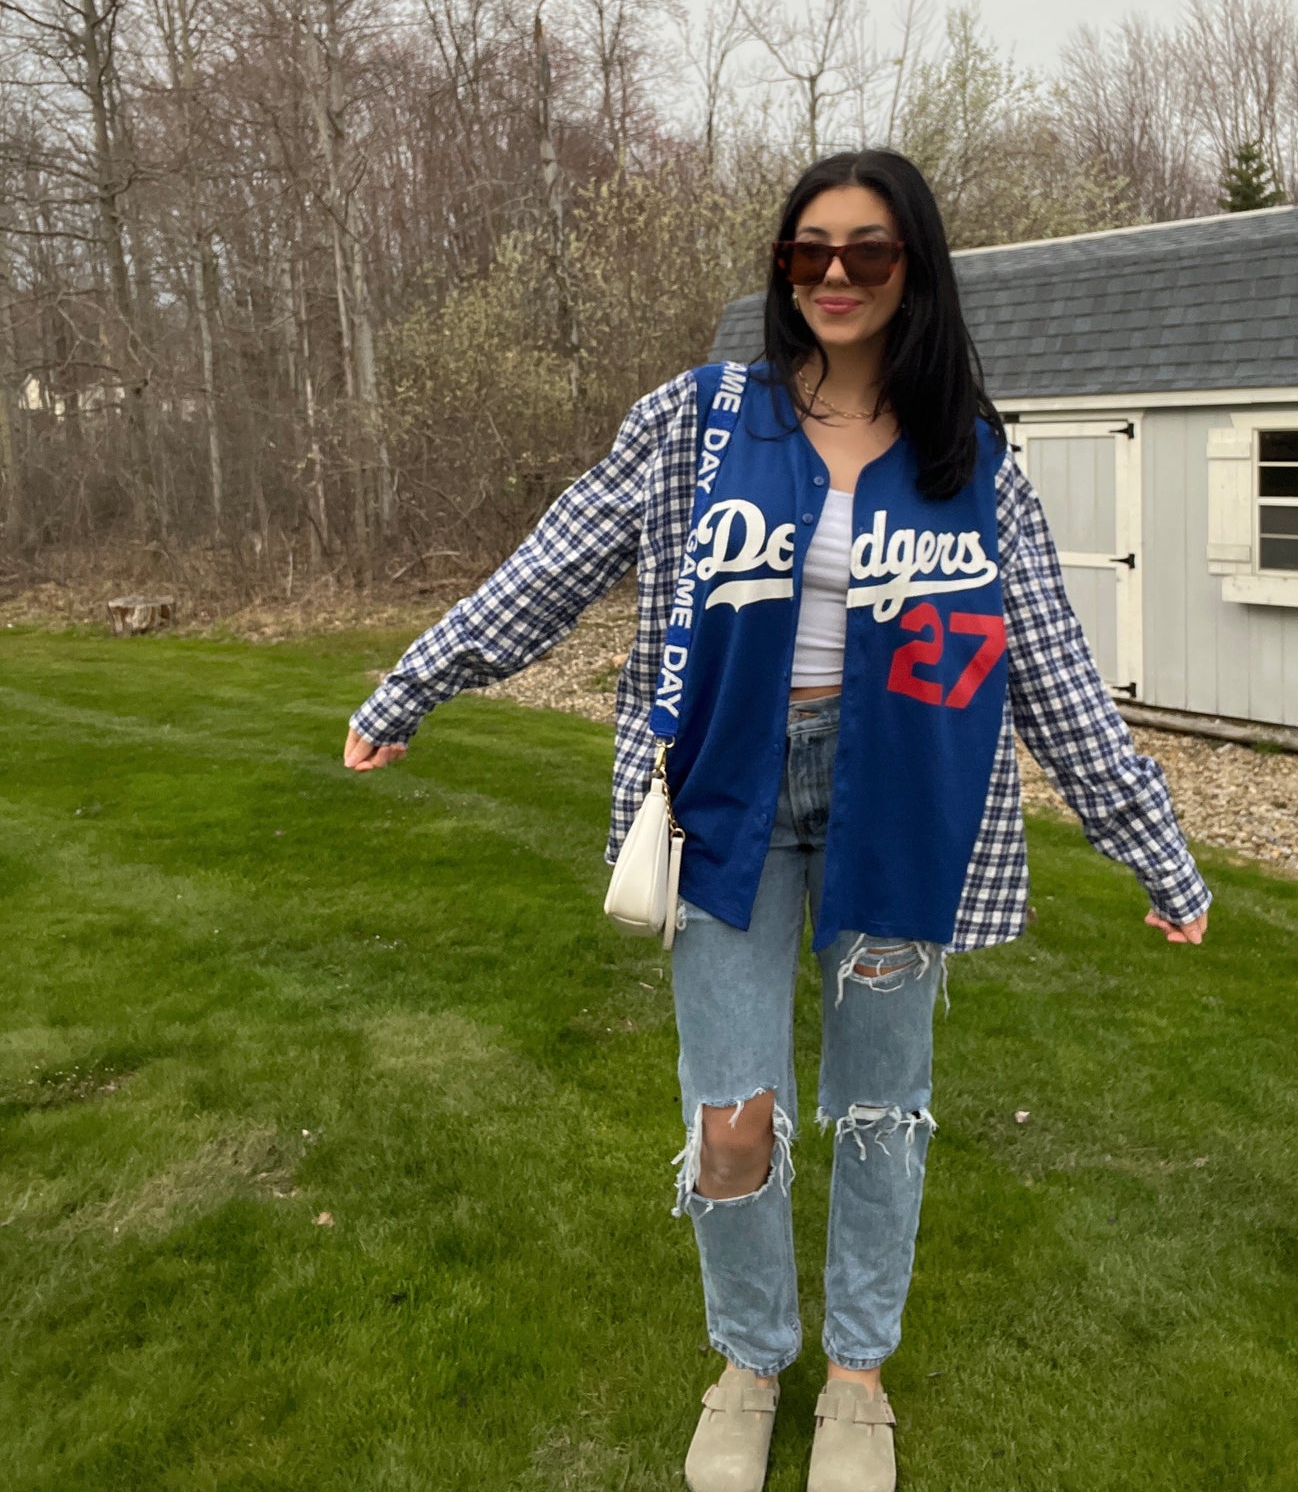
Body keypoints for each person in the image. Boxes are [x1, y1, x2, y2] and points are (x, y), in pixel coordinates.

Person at [344, 149, 1211, 1492]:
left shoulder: (968, 461)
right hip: (726, 804)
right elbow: (552, 565)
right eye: (808, 249)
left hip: (902, 809)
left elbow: (1049, 668)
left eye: (867, 251)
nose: (834, 277)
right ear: (780, 266)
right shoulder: (695, 423)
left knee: (879, 1113)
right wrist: (413, 684)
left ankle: (855, 1374)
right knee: (731, 1116)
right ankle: (749, 1358)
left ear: (911, 268)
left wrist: (1149, 843)